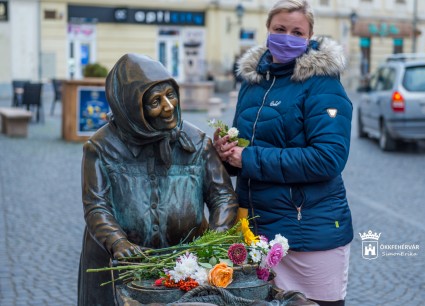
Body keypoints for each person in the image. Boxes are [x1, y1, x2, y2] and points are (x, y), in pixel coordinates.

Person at [212, 1, 353, 305]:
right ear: (268, 30)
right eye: (280, 29)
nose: (287, 36)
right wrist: (227, 152)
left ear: (309, 36)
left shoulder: (322, 84)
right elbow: (243, 150)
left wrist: (247, 158)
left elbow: (328, 158)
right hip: (256, 229)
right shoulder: (254, 82)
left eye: (296, 31)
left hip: (310, 234)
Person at [78, 53, 238, 306]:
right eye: (155, 101)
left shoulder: (196, 142)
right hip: (122, 266)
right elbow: (96, 205)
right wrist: (118, 242)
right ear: (131, 107)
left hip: (188, 266)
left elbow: (222, 196)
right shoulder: (101, 147)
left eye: (170, 94)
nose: (168, 106)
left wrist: (213, 241)